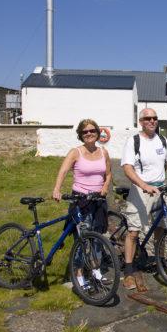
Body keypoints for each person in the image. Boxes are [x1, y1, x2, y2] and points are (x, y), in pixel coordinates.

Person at [120, 108, 167, 291]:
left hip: (161, 190)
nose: (151, 121)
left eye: (154, 118)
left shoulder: (162, 140)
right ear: (140, 121)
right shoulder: (133, 141)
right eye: (147, 118)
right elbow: (127, 168)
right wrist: (143, 185)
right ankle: (128, 271)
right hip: (141, 189)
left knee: (161, 229)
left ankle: (160, 263)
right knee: (134, 232)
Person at [52, 119, 113, 285]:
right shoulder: (75, 152)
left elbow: (108, 174)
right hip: (81, 200)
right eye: (85, 132)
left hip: (98, 199)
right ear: (80, 135)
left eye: (92, 130)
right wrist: (57, 189)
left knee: (98, 236)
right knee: (81, 238)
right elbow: (63, 170)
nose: (89, 134)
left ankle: (95, 270)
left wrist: (106, 186)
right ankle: (79, 274)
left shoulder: (103, 152)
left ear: (97, 132)